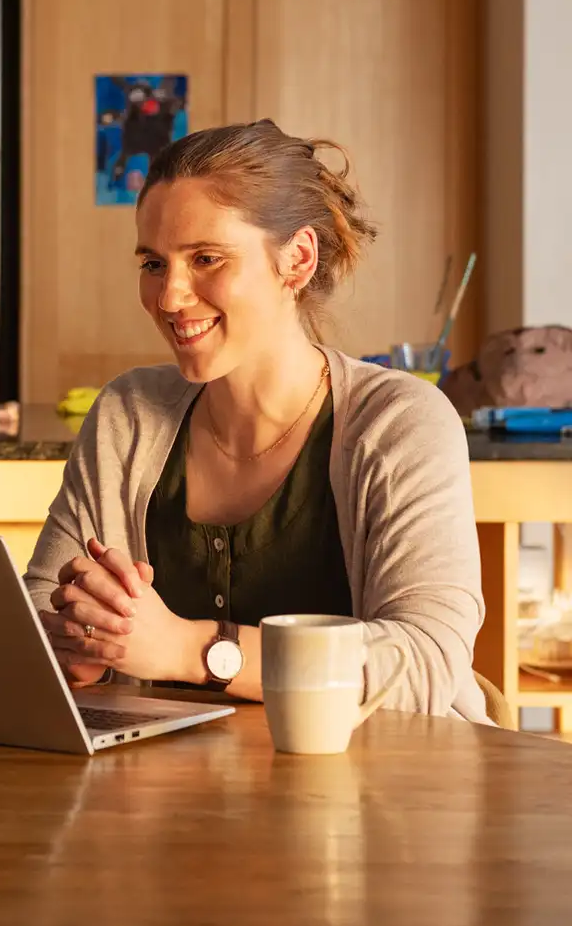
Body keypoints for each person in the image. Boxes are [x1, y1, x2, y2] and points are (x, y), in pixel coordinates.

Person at [26, 120, 487, 721]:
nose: (169, 297)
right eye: (154, 263)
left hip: (386, 796)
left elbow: (423, 664)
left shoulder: (401, 422)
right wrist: (79, 640)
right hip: (169, 798)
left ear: (295, 260)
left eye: (207, 258)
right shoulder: (128, 414)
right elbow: (45, 605)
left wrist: (193, 649)